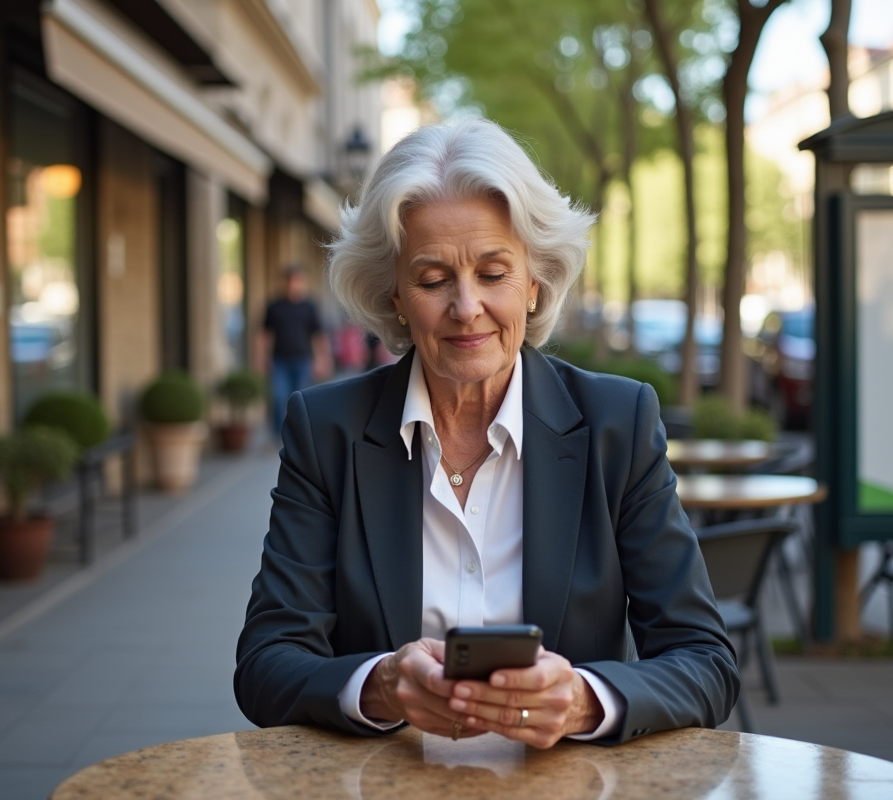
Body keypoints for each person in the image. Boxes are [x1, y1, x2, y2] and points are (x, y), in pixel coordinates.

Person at [235, 119, 738, 749]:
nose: (466, 307)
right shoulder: (326, 429)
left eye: (494, 274)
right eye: (432, 280)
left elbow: (706, 661)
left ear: (535, 283)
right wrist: (379, 686)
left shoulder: (619, 422)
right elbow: (265, 663)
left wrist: (583, 701)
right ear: (394, 296)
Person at [258, 266, 331, 435]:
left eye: (297, 281)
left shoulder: (309, 306)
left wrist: (322, 358)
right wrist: (261, 358)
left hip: (303, 360)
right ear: (284, 282)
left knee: (300, 399)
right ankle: (277, 434)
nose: (293, 285)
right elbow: (263, 335)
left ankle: (299, 434)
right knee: (278, 397)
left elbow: (318, 335)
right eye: (290, 281)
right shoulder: (274, 306)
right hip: (279, 361)